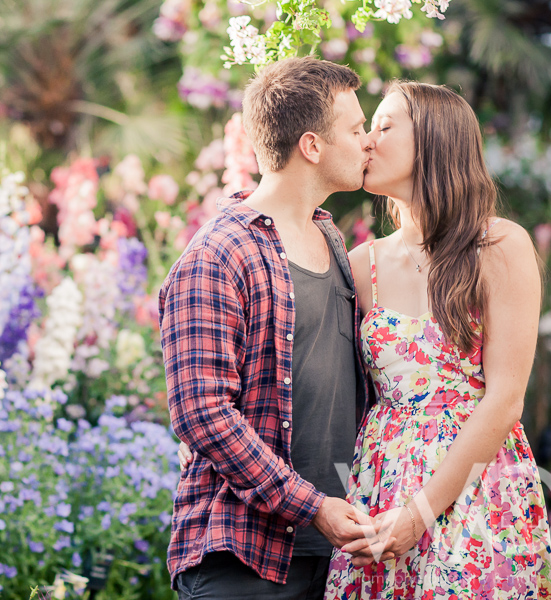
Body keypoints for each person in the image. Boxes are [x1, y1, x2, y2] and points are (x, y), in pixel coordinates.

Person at [160, 56, 396, 600]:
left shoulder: (331, 239)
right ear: (312, 146)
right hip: (243, 559)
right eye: (357, 128)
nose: (367, 142)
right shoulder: (219, 255)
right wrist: (311, 506)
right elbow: (202, 413)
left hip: (337, 555)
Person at [320, 81, 551, 598]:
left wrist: (421, 512)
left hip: (477, 489)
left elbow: (505, 399)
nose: (367, 141)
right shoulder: (361, 265)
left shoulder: (498, 246)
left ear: (434, 139)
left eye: (383, 127)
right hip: (379, 487)